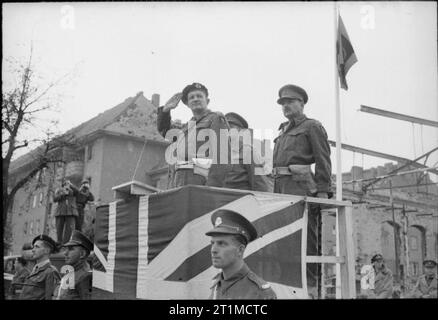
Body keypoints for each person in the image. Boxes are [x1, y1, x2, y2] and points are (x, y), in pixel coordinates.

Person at [272, 84, 332, 297]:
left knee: (306, 243)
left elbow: (323, 159)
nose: (285, 106)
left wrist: (323, 192)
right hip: (280, 191)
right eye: (283, 103)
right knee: (284, 242)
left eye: (290, 101)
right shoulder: (282, 130)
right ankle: (289, 290)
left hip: (301, 189)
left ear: (301, 103)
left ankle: (311, 291)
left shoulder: (312, 126)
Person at [156, 82, 230, 188]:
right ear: (187, 104)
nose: (195, 99)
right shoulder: (187, 126)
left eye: (199, 96)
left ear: (207, 101)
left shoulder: (215, 119)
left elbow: (222, 158)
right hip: (180, 180)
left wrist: (212, 187)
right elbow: (167, 132)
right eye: (191, 97)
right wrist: (165, 111)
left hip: (201, 181)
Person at [205, 209, 277, 299]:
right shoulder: (217, 285)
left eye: (221, 244)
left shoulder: (260, 293)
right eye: (212, 243)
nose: (213, 250)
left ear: (240, 250)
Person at [223, 112, 272, 192]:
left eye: (231, 127)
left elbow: (259, 183)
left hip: (241, 200)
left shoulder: (248, 152)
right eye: (225, 127)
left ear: (239, 131)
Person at [53, 230, 93, 300]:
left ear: (82, 254)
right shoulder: (70, 272)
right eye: (66, 249)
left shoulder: (86, 276)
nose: (65, 253)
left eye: (71, 249)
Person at [19, 234, 61, 300]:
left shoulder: (51, 272)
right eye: (33, 247)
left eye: (37, 247)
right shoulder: (35, 269)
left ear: (46, 251)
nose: (33, 250)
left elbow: (50, 297)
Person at [54, 179, 79, 244]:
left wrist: (71, 185)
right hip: (60, 212)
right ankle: (59, 242)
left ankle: (66, 243)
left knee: (69, 230)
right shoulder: (59, 190)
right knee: (59, 229)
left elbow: (78, 192)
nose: (66, 185)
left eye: (68, 183)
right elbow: (54, 199)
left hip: (71, 212)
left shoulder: (73, 190)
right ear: (62, 185)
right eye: (65, 184)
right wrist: (62, 194)